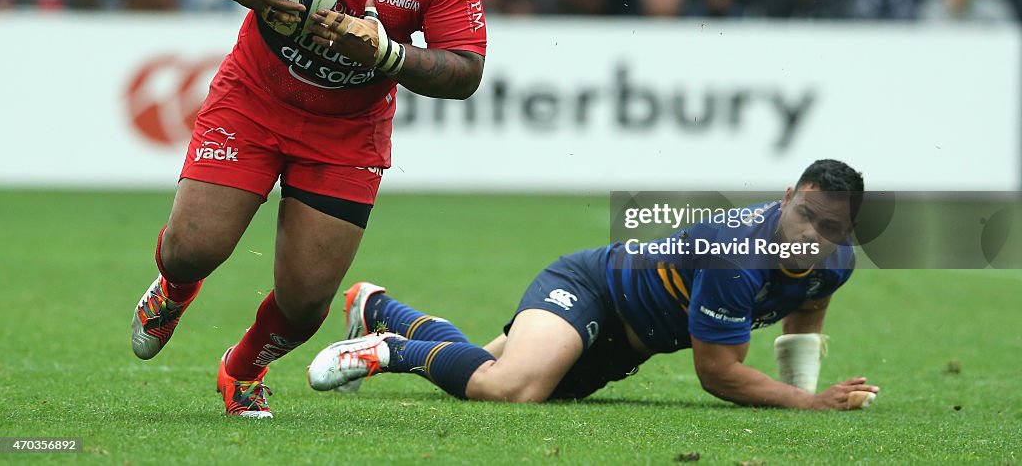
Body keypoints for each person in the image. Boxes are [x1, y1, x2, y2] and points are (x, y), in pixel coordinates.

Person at [130, 0, 487, 419]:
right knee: (192, 249)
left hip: (347, 134)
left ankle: (243, 369)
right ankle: (174, 288)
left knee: (305, 303)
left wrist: (386, 53)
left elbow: (467, 70)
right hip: (255, 100)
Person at [308, 160, 880, 409]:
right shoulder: (735, 256)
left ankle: (379, 307)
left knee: (475, 368)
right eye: (804, 215)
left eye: (830, 228)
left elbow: (808, 307)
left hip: (622, 345)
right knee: (513, 389)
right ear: (787, 197)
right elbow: (718, 374)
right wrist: (808, 404)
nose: (811, 235)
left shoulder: (836, 261)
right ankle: (387, 350)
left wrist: (808, 396)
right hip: (593, 289)